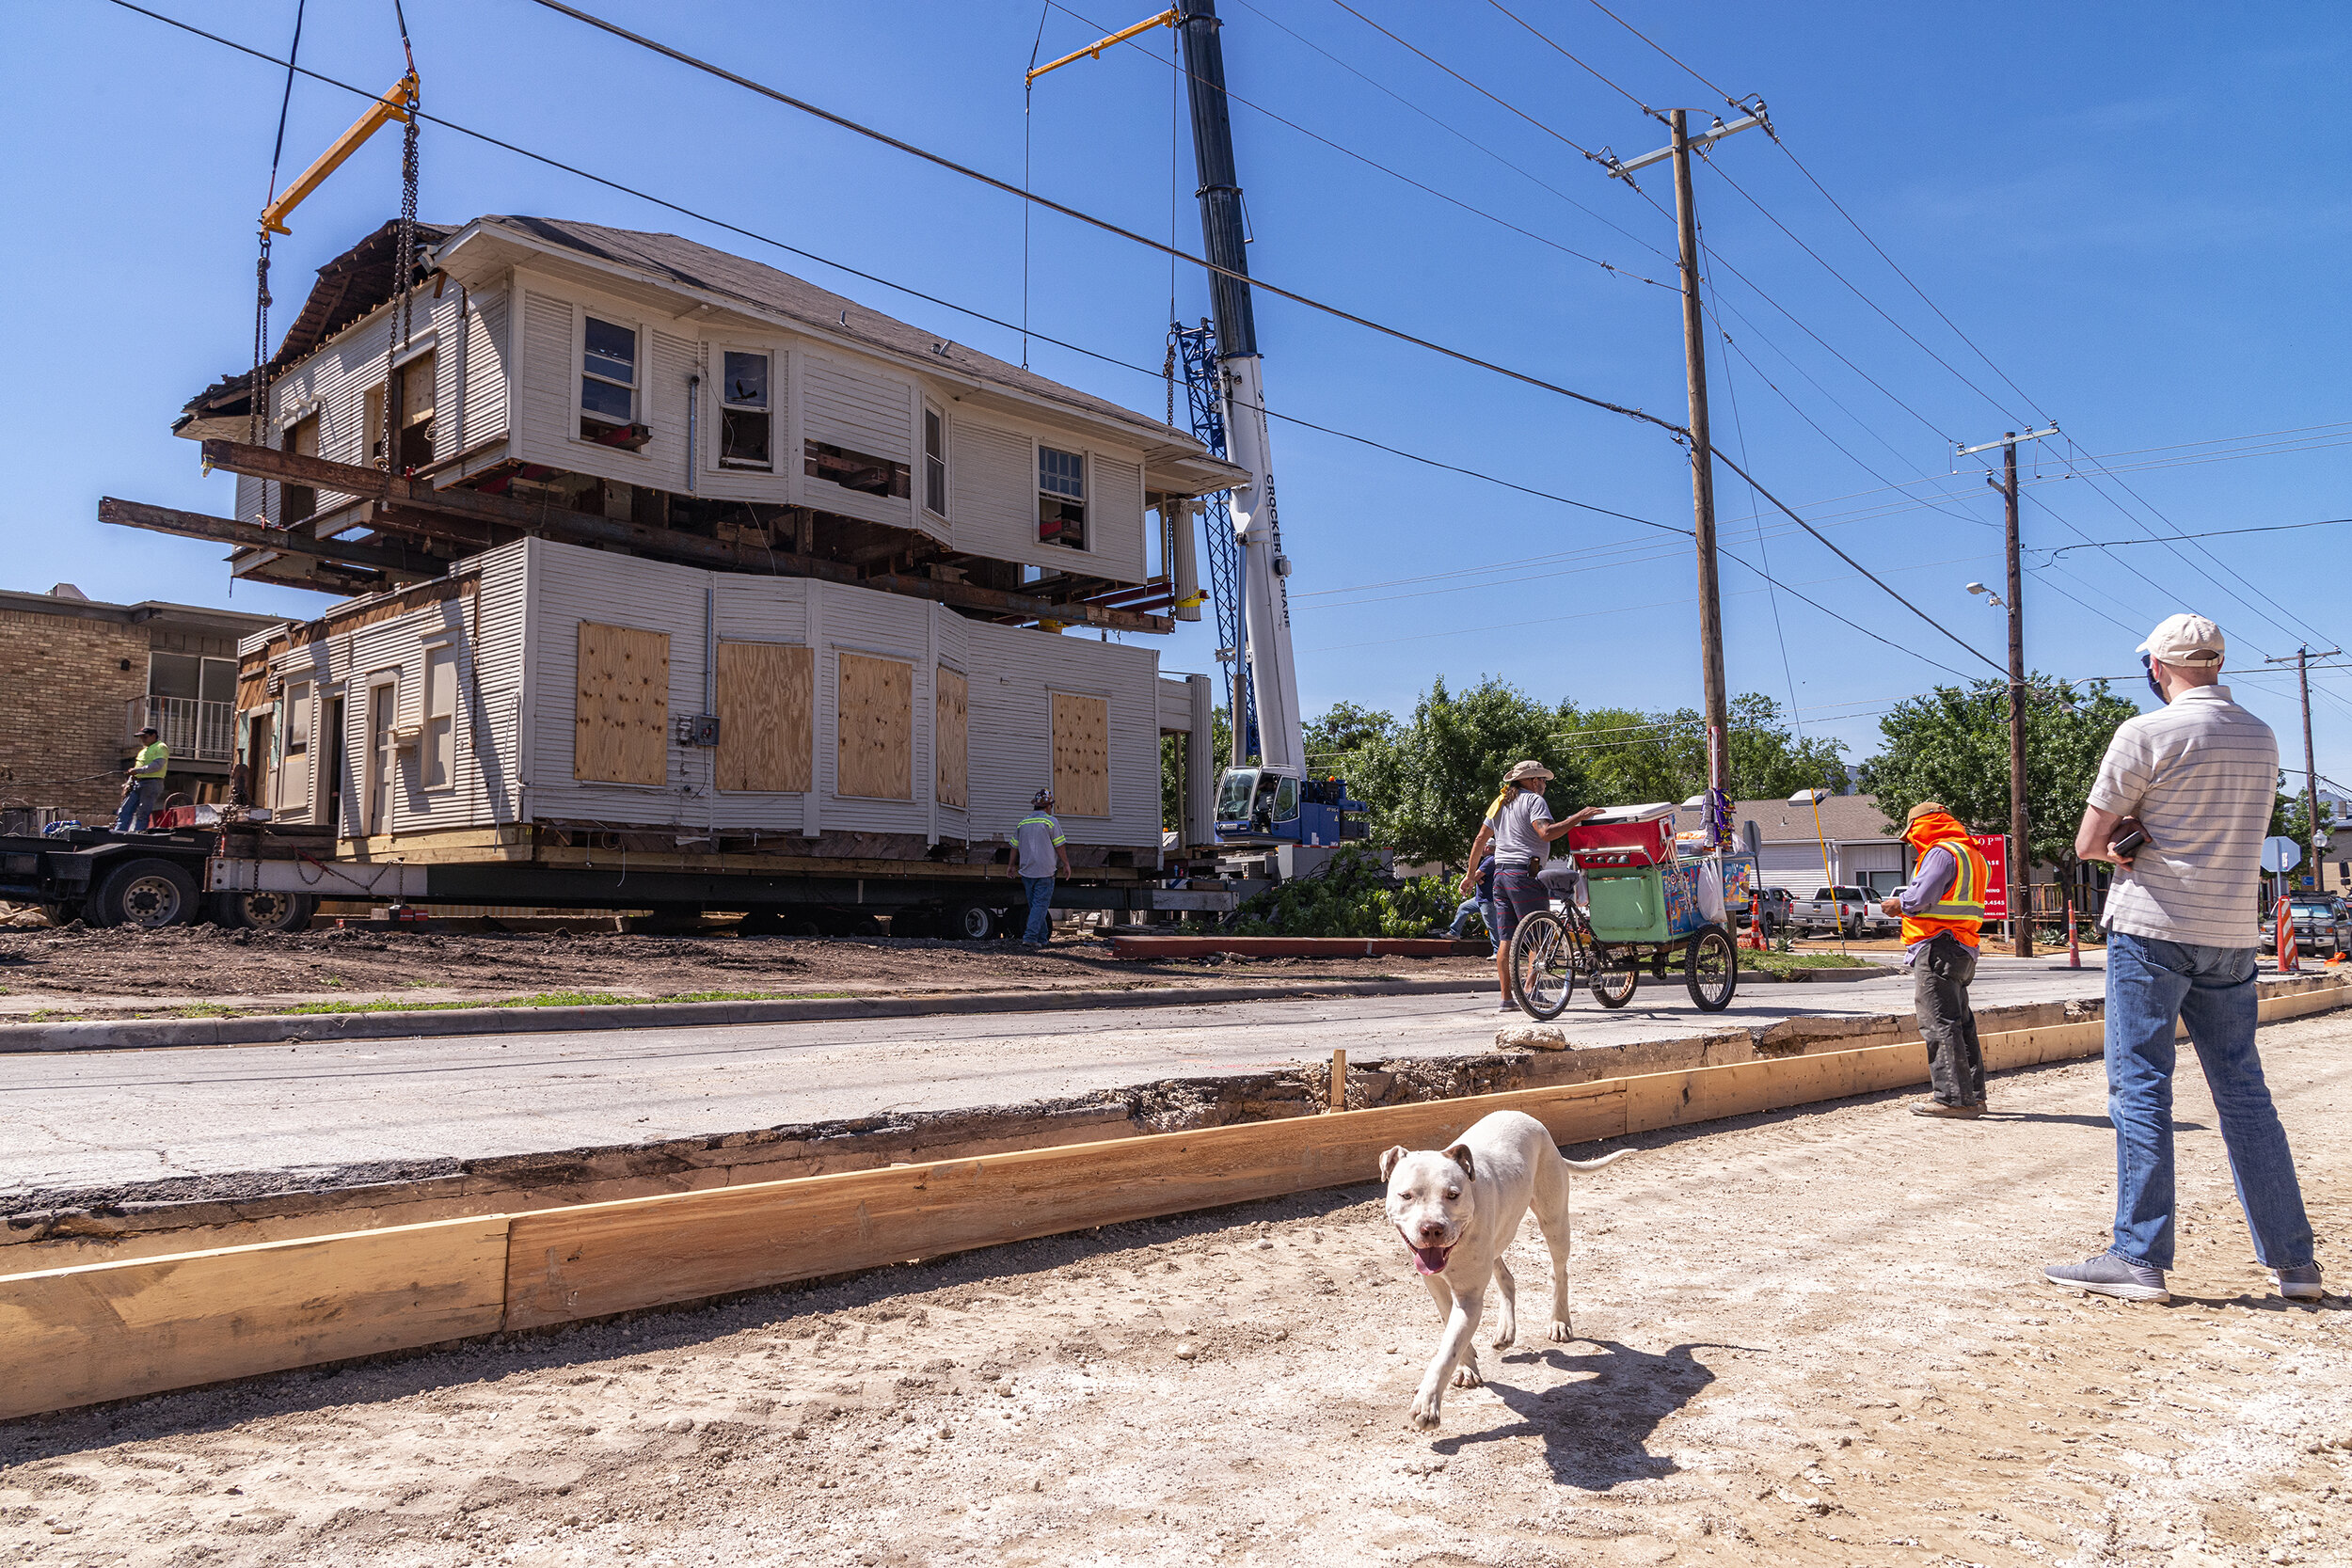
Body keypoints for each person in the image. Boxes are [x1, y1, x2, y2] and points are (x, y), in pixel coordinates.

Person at [2045, 613, 2322, 1306]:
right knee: (2244, 1093)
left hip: (2152, 929)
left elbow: (2089, 839)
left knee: (2141, 1086)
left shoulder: (2145, 732)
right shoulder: (2262, 734)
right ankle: (2295, 1264)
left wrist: (2121, 845)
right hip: (2230, 932)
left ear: (2157, 668)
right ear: (2218, 664)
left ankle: (2138, 1257)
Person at [1461, 761, 1601, 1010]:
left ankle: (1506, 998)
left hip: (1501, 877)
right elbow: (1545, 832)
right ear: (1533, 780)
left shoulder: (1500, 802)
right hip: (1524, 875)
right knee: (1540, 935)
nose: (1545, 785)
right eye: (1543, 781)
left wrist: (1470, 875)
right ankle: (1531, 990)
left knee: (1506, 938)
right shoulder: (1534, 801)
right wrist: (1577, 817)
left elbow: (1480, 839)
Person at [1882, 800, 1991, 1118]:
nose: (1912, 841)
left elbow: (1919, 899)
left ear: (1924, 825)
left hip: (1937, 946)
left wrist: (1897, 903)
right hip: (1963, 947)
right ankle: (1973, 1096)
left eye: (1912, 832)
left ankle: (1952, 1100)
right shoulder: (1972, 854)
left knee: (1938, 1023)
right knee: (1961, 1024)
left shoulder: (1941, 853)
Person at [1014, 787, 1072, 947]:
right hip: (1045, 871)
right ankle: (1031, 938)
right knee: (1040, 906)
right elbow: (1059, 844)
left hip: (1027, 870)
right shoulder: (1050, 821)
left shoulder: (1023, 822)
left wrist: (1011, 865)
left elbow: (1014, 845)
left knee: (1035, 906)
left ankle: (1042, 938)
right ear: (1048, 807)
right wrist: (1066, 863)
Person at [1440, 852, 1499, 954]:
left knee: (1492, 926)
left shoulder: (1491, 860)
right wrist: (1478, 879)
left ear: (1488, 847)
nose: (1482, 850)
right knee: (1464, 908)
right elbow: (1479, 877)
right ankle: (1454, 933)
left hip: (1487, 900)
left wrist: (1473, 879)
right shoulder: (1488, 859)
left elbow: (1476, 875)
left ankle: (1498, 952)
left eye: (1484, 847)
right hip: (1479, 899)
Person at [114, 726, 168, 832]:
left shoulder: (161, 747)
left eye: (145, 737)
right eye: (141, 737)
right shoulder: (144, 750)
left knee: (143, 811)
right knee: (125, 809)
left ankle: (138, 833)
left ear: (153, 736)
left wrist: (137, 771)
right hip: (137, 782)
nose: (142, 739)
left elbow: (157, 765)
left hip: (152, 782)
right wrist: (129, 781)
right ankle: (119, 832)